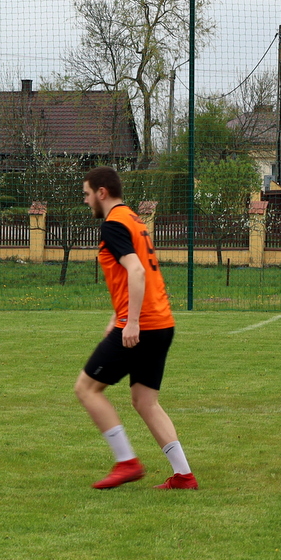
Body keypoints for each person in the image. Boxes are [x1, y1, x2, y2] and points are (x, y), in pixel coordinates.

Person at [73, 168, 195, 490]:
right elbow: (132, 274)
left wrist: (131, 322)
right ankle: (183, 475)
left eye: (87, 194)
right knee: (145, 401)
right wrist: (118, 315)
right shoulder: (134, 220)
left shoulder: (113, 223)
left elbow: (136, 271)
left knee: (86, 389)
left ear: (101, 192)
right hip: (162, 323)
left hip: (142, 326)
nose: (86, 201)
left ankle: (126, 462)